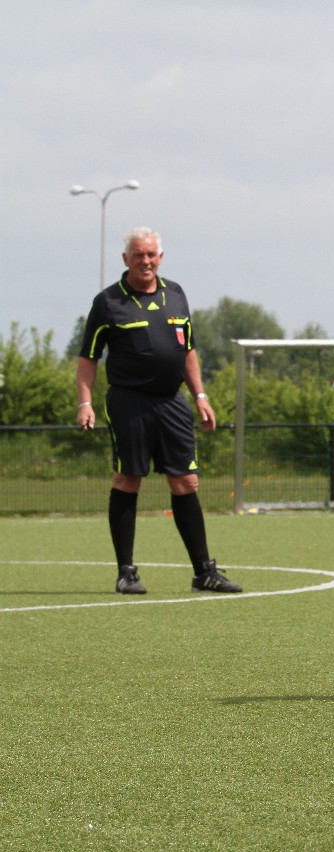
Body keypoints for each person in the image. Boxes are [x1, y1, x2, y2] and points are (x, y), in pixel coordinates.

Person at [76, 227, 242, 595]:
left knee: (186, 482)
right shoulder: (108, 302)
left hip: (172, 401)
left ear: (161, 258)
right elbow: (88, 357)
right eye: (139, 254)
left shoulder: (176, 294)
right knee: (128, 479)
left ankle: (204, 573)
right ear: (126, 259)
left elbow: (189, 350)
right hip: (129, 402)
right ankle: (126, 573)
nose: (146, 261)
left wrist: (200, 396)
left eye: (151, 254)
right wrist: (85, 402)